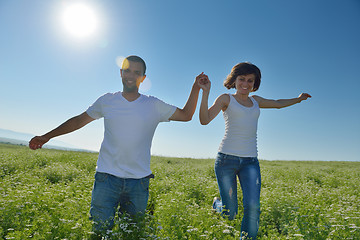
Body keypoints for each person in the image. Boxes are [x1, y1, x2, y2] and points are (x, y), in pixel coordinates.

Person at [29, 55, 205, 238]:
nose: (131, 75)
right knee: (99, 233)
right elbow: (78, 121)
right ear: (120, 73)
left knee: (131, 234)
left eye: (137, 72)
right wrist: (46, 136)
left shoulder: (153, 105)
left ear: (143, 78)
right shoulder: (107, 100)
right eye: (127, 70)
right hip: (106, 179)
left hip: (138, 182)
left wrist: (195, 88)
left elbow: (186, 115)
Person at [198, 62, 311, 239]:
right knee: (231, 212)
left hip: (250, 162)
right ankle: (218, 205)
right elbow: (204, 120)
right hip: (226, 160)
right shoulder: (225, 99)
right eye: (241, 79)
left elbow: (278, 104)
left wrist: (298, 99)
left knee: (253, 207)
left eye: (250, 80)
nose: (245, 84)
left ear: (255, 83)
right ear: (234, 80)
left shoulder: (256, 101)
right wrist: (205, 93)